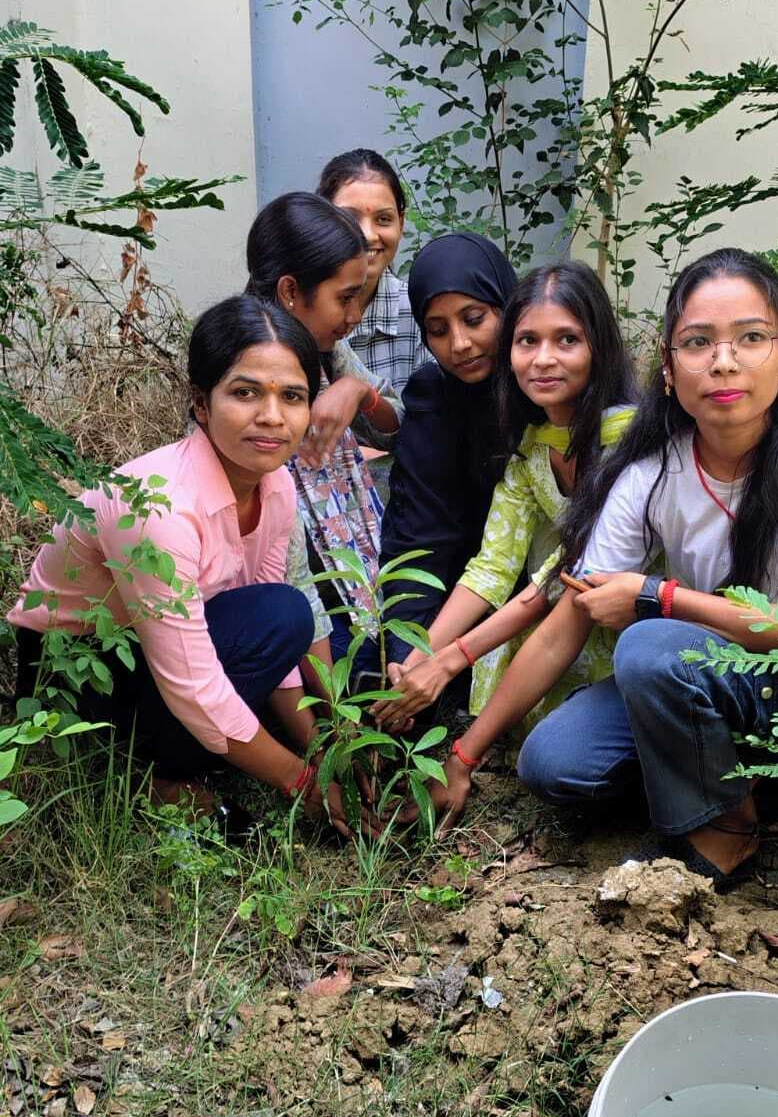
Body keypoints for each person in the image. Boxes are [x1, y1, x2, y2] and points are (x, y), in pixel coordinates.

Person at [428, 248, 778, 888]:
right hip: (708, 674)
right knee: (552, 762)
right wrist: (464, 753)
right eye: (697, 342)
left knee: (648, 646)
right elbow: (567, 617)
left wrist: (661, 596)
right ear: (668, 368)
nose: (723, 361)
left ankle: (729, 830)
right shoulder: (651, 465)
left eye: (750, 338)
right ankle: (745, 778)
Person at [9, 295, 353, 829]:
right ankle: (155, 778)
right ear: (201, 402)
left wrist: (322, 750)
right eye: (245, 392)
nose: (272, 416)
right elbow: (193, 687)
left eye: (292, 396)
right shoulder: (157, 508)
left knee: (284, 611)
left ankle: (187, 755)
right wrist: (302, 782)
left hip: (157, 649)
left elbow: (270, 631)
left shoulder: (277, 487)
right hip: (77, 672)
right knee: (274, 622)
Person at [376, 262, 636, 729]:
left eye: (567, 340)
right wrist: (418, 656)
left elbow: (561, 575)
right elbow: (493, 566)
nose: (543, 359)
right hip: (561, 617)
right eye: (528, 341)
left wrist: (450, 659)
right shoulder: (533, 447)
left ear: (599, 347)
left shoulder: (630, 443)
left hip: (635, 631)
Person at [245, 192, 405, 676]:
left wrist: (359, 392)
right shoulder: (246, 372)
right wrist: (327, 708)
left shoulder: (328, 354)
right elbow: (286, 562)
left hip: (349, 575)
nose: (354, 315)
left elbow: (397, 424)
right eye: (345, 298)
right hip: (291, 599)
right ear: (291, 292)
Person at [378, 230, 518, 658]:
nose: (459, 344)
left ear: (508, 308)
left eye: (474, 319)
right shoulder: (432, 400)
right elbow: (418, 538)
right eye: (437, 330)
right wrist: (407, 649)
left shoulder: (546, 392)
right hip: (451, 603)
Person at [317, 148, 427, 390]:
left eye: (384, 219)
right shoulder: (301, 310)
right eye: (350, 218)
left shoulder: (421, 314)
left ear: (401, 223)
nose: (367, 235)